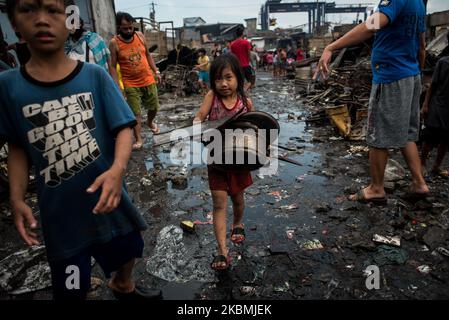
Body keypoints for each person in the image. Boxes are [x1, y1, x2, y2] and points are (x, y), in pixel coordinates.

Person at [0, 0, 162, 300]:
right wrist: (16, 198)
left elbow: (124, 128)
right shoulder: (8, 87)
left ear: (69, 21)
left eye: (52, 10)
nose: (41, 20)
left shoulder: (93, 76)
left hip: (110, 200)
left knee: (129, 248)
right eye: (28, 10)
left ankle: (122, 285)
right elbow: (18, 147)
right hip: (62, 216)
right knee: (73, 285)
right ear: (14, 23)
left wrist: (117, 170)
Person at [315, 0, 429, 203]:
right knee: (408, 134)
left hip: (391, 75)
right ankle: (419, 183)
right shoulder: (418, 3)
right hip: (412, 75)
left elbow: (372, 25)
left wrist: (331, 46)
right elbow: (422, 46)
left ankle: (376, 188)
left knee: (377, 133)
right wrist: (416, 75)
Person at [193, 54, 254, 270]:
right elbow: (200, 115)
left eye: (228, 77)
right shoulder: (212, 97)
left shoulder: (245, 103)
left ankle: (237, 224)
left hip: (239, 160)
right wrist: (197, 126)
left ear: (238, 77)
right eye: (218, 79)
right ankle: (222, 251)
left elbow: (256, 130)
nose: (224, 83)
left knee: (238, 199)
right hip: (217, 159)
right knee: (219, 203)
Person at [109, 12, 161, 151]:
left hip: (148, 79)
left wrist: (156, 71)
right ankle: (138, 139)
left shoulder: (140, 36)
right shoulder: (114, 43)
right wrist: (117, 86)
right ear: (119, 27)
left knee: (154, 107)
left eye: (131, 27)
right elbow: (112, 67)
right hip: (130, 83)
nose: (129, 31)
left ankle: (150, 122)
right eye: (125, 28)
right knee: (135, 113)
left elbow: (148, 56)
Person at [420, 55, 449, 178]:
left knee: (446, 139)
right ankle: (422, 164)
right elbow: (432, 85)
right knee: (429, 137)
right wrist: (425, 104)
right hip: (438, 106)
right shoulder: (443, 62)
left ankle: (437, 166)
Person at [230, 26, 253, 91]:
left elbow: (232, 56)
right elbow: (249, 54)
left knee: (239, 82)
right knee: (249, 82)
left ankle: (240, 93)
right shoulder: (246, 42)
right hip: (246, 65)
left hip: (237, 66)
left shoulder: (232, 44)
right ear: (242, 33)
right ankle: (244, 92)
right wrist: (253, 65)